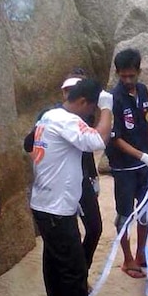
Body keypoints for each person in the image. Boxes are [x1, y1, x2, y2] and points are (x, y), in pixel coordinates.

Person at [29, 79, 115, 296]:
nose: (90, 116)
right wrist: (107, 108)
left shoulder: (47, 117)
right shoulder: (66, 120)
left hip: (44, 202)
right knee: (74, 267)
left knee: (54, 259)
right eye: (90, 111)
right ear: (82, 102)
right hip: (56, 207)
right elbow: (98, 140)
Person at [23, 68, 103, 273]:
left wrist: (93, 176)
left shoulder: (84, 115)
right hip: (59, 190)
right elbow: (30, 144)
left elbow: (86, 152)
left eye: (74, 89)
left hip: (82, 180)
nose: (70, 94)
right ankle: (77, 275)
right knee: (62, 242)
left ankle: (80, 270)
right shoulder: (55, 117)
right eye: (67, 90)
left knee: (94, 228)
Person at [106, 48, 148, 279]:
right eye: (123, 76)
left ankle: (142, 253)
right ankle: (127, 259)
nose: (128, 80)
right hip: (124, 167)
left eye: (132, 75)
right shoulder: (113, 100)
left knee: (145, 211)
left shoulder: (142, 91)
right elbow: (116, 138)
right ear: (117, 74)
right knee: (124, 214)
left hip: (145, 166)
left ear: (139, 72)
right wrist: (143, 156)